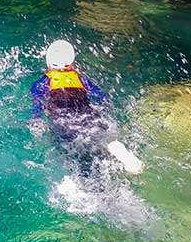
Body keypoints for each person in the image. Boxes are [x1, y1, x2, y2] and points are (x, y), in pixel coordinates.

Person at [30, 40, 143, 174]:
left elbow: (37, 103)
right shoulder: (81, 79)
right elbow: (100, 96)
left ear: (48, 63)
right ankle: (115, 147)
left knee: (70, 150)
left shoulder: (43, 83)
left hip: (64, 120)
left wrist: (36, 119)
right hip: (88, 115)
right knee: (98, 136)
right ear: (72, 64)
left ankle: (73, 179)